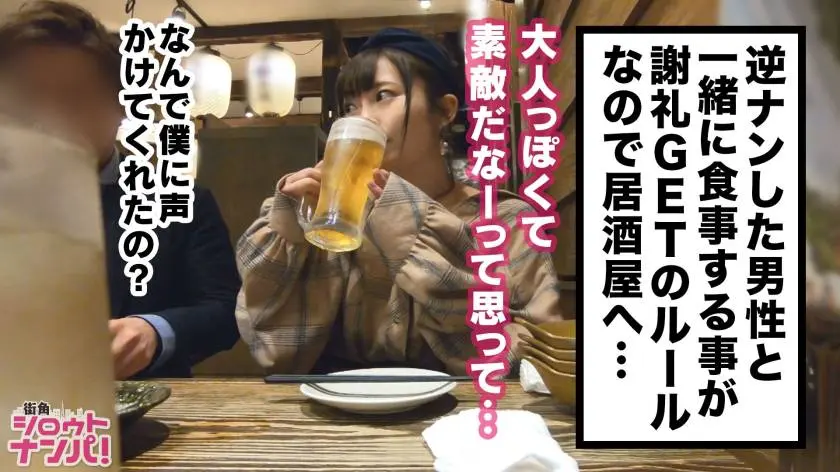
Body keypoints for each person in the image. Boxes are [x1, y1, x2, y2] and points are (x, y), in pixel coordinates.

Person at [235, 27, 566, 375]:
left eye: (383, 95)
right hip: (334, 405)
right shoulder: (333, 219)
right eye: (350, 106)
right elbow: (274, 352)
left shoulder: (504, 220)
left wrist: (415, 235)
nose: (362, 117)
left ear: (445, 110)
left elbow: (538, 357)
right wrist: (290, 243)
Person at [0, 1, 241, 379]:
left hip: (144, 403)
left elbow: (225, 310)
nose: (49, 118)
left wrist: (153, 331)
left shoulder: (179, 200)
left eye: (74, 98)